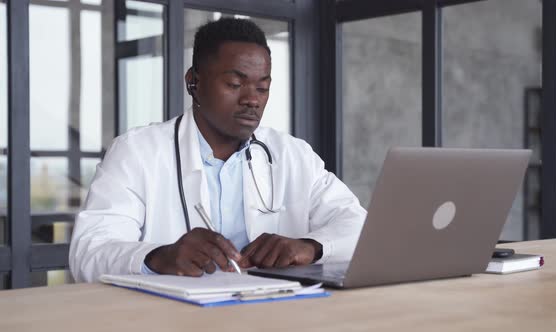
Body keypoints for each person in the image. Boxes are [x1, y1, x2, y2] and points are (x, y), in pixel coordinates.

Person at [69, 18, 366, 282]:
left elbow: (360, 227)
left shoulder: (293, 155)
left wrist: (311, 247)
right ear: (193, 82)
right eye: (235, 83)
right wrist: (158, 257)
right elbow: (90, 251)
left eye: (262, 88)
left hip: (274, 314)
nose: (252, 99)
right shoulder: (137, 152)